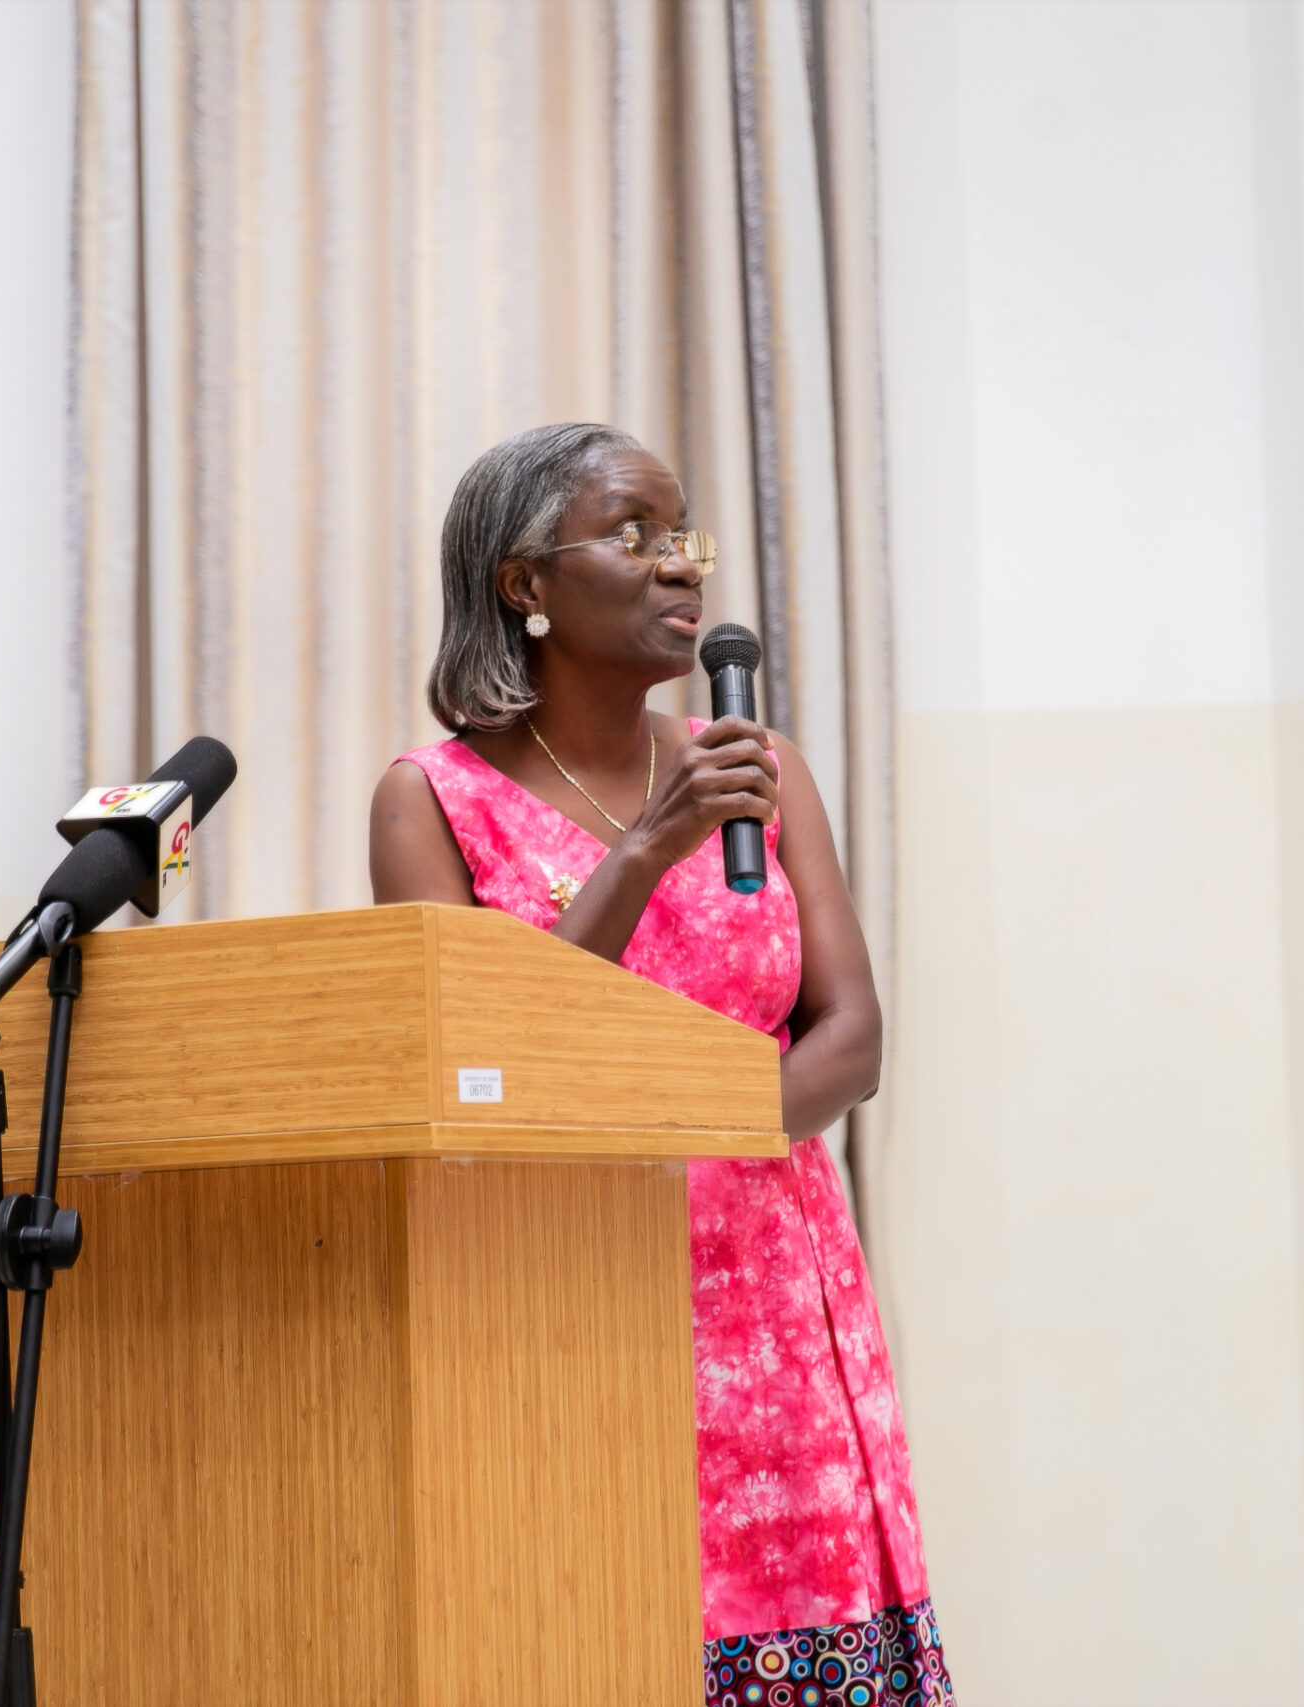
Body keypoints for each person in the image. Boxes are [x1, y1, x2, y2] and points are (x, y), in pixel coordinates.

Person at [370, 423, 952, 1706]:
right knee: (595, 1628)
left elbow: (848, 1035)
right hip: (563, 1292)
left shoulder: (757, 765)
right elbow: (486, 1061)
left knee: (809, 1643)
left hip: (773, 1291)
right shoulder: (430, 800)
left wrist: (698, 1142)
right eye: (632, 536)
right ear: (524, 584)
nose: (679, 568)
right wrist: (642, 851)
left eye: (681, 535)